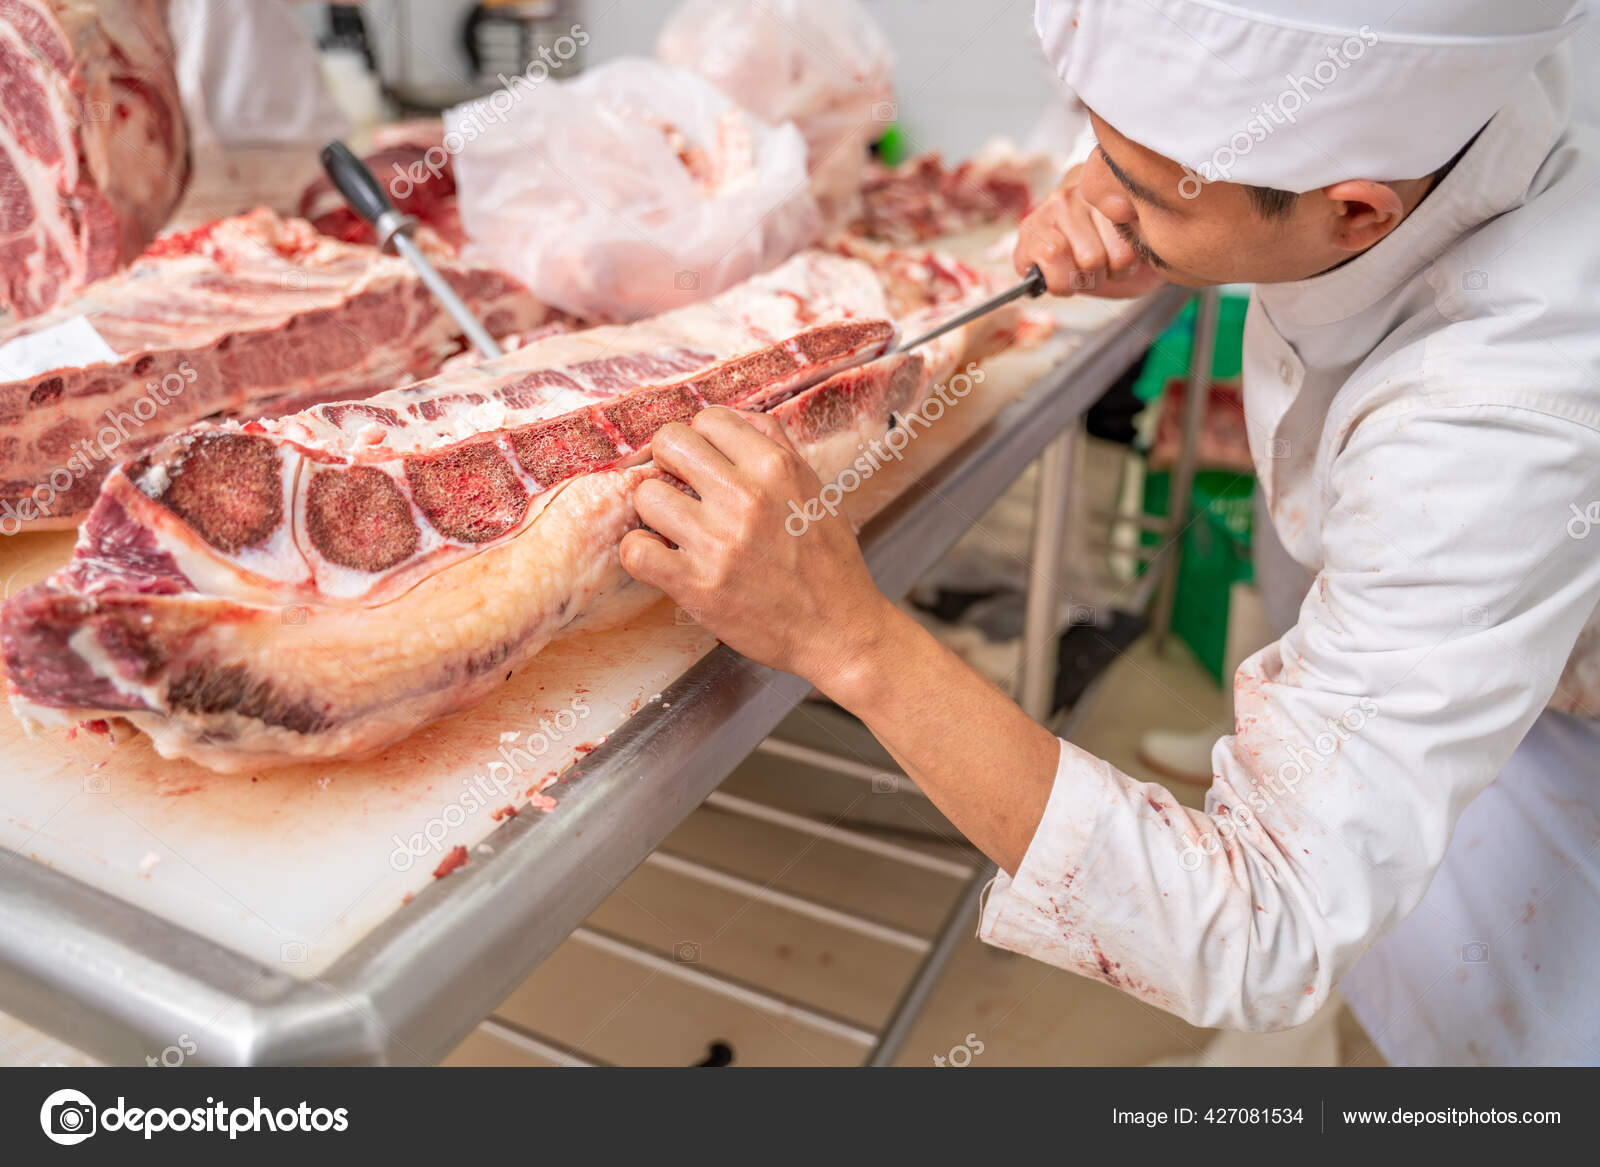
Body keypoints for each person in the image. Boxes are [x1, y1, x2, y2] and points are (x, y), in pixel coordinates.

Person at [619, 0, 1600, 1066]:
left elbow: (1267, 928)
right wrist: (1171, 229)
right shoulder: (1445, 137)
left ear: (1354, 212)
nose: (1099, 193)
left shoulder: (1491, 425)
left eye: (1142, 186)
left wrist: (845, 638)